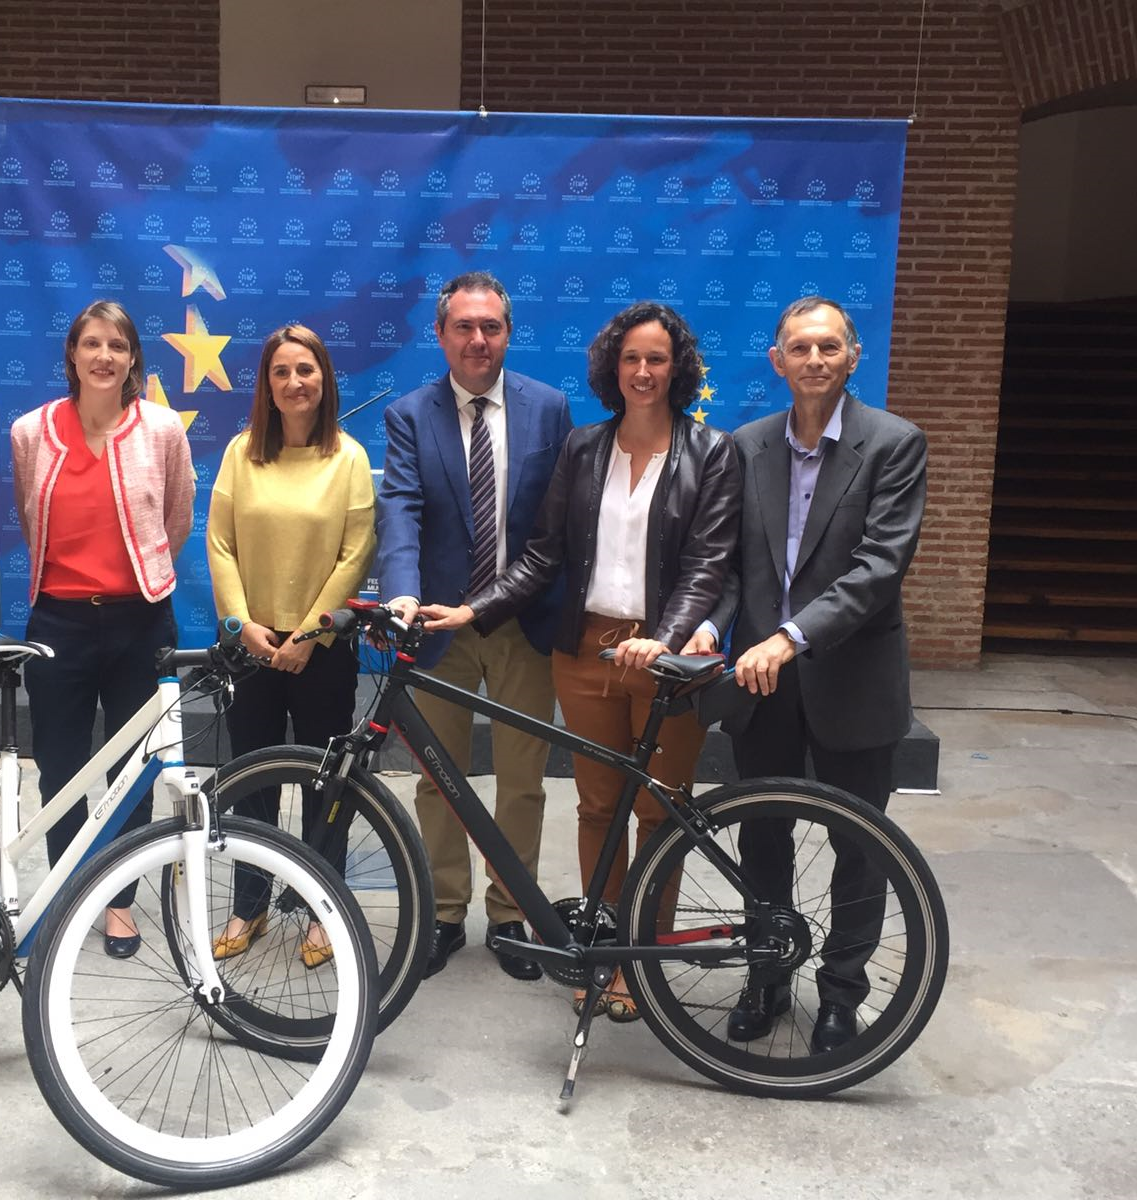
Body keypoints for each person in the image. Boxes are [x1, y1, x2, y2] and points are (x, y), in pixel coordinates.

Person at [423, 301, 741, 1019]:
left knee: (659, 813)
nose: (643, 371)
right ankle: (604, 954)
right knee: (598, 808)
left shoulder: (712, 451)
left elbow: (708, 564)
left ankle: (644, 963)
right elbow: (544, 555)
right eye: (631, 358)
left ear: (678, 369)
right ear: (612, 368)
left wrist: (667, 636)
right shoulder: (585, 448)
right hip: (586, 652)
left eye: (657, 359)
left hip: (663, 657)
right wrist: (475, 610)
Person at [685, 295, 927, 1054]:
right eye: (800, 347)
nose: (814, 359)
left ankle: (841, 996)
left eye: (828, 346)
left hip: (853, 679)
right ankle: (767, 976)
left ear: (853, 355)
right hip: (761, 685)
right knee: (763, 834)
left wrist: (788, 639)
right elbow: (730, 566)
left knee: (860, 846)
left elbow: (878, 568)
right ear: (777, 360)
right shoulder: (746, 445)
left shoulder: (894, 444)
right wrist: (708, 625)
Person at [376, 271, 574, 981]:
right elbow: (400, 508)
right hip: (437, 625)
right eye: (464, 326)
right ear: (441, 335)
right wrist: (402, 595)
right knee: (439, 779)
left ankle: (513, 916)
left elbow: (558, 522)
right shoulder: (410, 414)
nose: (478, 339)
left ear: (508, 333)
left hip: (523, 623)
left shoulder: (549, 408)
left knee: (523, 780)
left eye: (491, 326)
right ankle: (444, 913)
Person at [10, 300, 194, 958]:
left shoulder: (163, 430)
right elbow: (30, 518)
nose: (104, 356)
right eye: (91, 343)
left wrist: (134, 579)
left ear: (133, 357)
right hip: (57, 622)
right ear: (72, 354)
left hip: (140, 622)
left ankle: (117, 902)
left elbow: (175, 519)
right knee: (59, 768)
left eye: (117, 345)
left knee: (132, 771)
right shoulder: (30, 433)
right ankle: (65, 894)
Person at [205, 325, 377, 968]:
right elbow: (220, 542)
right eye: (281, 371)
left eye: (306, 369)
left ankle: (321, 909)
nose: (294, 382)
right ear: (267, 385)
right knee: (252, 781)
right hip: (252, 645)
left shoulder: (349, 458)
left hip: (322, 652)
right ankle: (249, 903)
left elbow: (355, 553)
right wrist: (241, 623)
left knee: (324, 787)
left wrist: (310, 634)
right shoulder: (241, 452)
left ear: (324, 378)